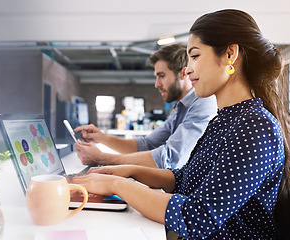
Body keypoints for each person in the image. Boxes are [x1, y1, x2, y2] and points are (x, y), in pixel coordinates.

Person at [72, 9, 290, 239]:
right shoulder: (225, 120)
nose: (188, 69)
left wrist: (118, 186)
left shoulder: (254, 127)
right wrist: (129, 172)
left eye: (194, 56)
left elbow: (197, 217)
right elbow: (184, 179)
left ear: (229, 54)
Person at [74, 44, 217, 169]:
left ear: (183, 73)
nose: (157, 84)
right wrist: (102, 138)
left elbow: (169, 158)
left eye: (161, 76)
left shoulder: (203, 102)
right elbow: (147, 145)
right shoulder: (180, 107)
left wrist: (102, 158)